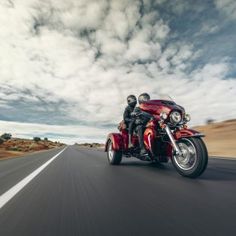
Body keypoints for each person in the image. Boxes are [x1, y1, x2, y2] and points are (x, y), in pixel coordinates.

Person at [132, 93, 152, 157]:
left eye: (147, 98)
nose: (146, 100)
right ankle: (142, 149)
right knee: (140, 127)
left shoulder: (150, 109)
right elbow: (134, 115)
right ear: (140, 100)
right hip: (139, 127)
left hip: (149, 126)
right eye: (145, 98)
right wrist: (136, 115)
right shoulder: (138, 108)